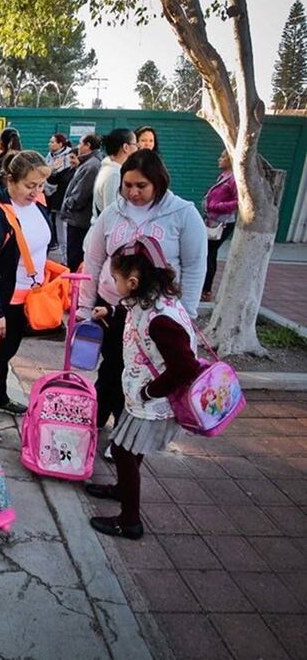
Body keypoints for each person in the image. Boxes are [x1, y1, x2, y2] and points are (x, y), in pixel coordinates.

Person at [78, 149, 206, 432]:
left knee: (144, 372)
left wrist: (187, 312)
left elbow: (195, 265)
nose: (133, 192)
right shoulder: (113, 213)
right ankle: (96, 421)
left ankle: (128, 431)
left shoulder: (183, 213)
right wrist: (85, 306)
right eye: (127, 185)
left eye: (141, 186)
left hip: (156, 315)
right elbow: (94, 259)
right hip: (113, 308)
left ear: (158, 182)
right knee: (112, 367)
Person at [85, 236, 200, 540]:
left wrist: (150, 392)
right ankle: (121, 489)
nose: (114, 283)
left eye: (116, 279)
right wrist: (110, 312)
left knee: (122, 450)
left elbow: (186, 367)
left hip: (154, 401)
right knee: (129, 449)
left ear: (133, 282)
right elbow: (132, 313)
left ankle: (130, 521)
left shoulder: (163, 320)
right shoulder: (150, 298)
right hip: (143, 395)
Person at [0, 151, 52, 442]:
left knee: (6, 353)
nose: (36, 191)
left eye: (40, 185)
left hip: (28, 299)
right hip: (3, 300)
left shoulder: (38, 205)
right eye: (30, 185)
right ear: (10, 180)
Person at [59, 134, 103, 272]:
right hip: (79, 219)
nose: (78, 147)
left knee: (74, 259)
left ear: (88, 145)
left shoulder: (91, 166)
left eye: (80, 143)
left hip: (79, 221)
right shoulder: (90, 163)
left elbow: (80, 195)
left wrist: (68, 204)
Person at [202, 151, 238, 302]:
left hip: (222, 222)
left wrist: (215, 206)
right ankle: (205, 288)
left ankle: (206, 289)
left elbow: (238, 202)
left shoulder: (233, 179)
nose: (219, 159)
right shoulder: (224, 176)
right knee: (210, 253)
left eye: (223, 157)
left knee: (208, 253)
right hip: (213, 220)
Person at [93, 128, 139, 222]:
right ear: (126, 147)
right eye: (135, 144)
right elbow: (113, 214)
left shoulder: (111, 169)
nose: (137, 148)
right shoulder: (114, 174)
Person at [43, 134, 72, 249]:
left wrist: (52, 172)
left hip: (59, 193)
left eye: (52, 142)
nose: (49, 144)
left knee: (59, 223)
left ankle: (58, 244)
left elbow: (62, 177)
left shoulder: (68, 157)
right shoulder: (50, 155)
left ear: (60, 144)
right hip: (47, 190)